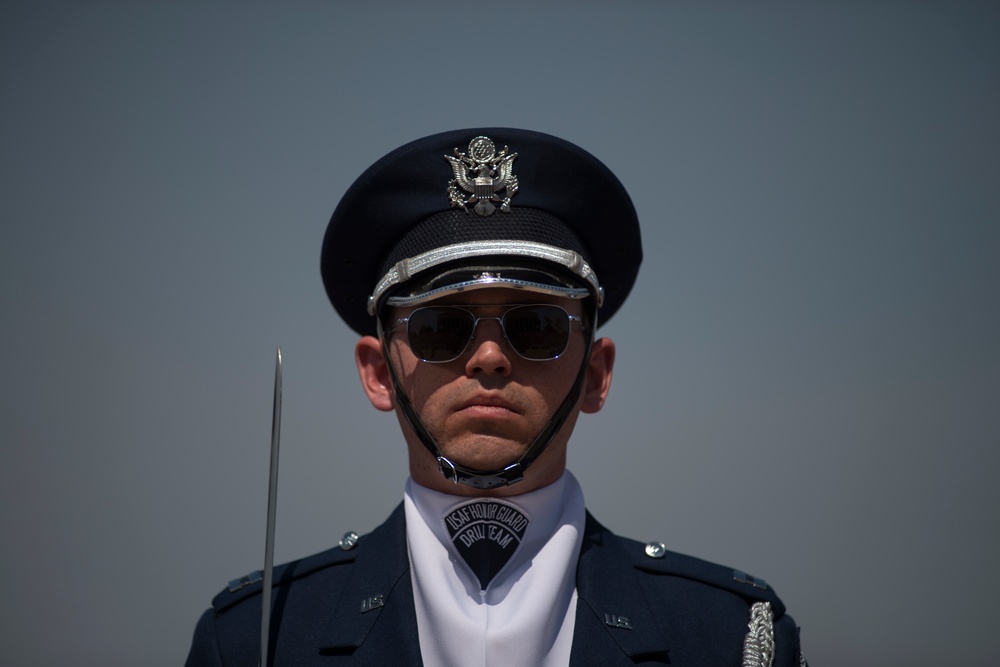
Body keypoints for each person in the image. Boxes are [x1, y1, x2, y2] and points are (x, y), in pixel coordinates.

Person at [185, 128, 807, 666]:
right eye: (440, 328)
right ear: (378, 374)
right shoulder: (253, 640)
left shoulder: (732, 642)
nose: (487, 357)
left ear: (595, 375)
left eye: (537, 327)